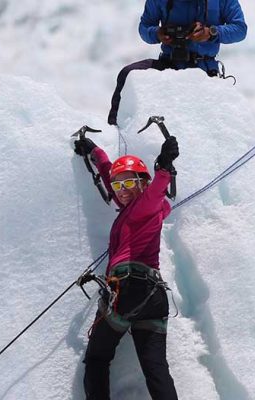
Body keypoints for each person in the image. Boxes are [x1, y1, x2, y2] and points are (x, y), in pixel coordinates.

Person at [73, 134, 180, 400]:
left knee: (97, 359)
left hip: (127, 289)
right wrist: (95, 151)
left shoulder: (145, 205)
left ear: (143, 184)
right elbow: (112, 178)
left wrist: (164, 168)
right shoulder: (135, 206)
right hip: (153, 297)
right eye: (119, 184)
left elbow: (157, 191)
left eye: (130, 182)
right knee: (156, 368)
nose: (122, 188)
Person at [108, 0, 248, 125]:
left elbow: (240, 29)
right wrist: (157, 33)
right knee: (128, 74)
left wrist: (211, 33)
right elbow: (144, 27)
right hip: (168, 64)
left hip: (204, 70)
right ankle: (115, 136)